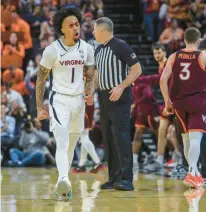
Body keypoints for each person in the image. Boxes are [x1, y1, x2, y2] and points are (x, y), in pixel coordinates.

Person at [35, 7, 95, 200]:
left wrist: (89, 91)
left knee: (71, 145)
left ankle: (63, 184)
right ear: (62, 29)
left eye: (77, 24)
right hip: (59, 100)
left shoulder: (87, 49)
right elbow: (41, 80)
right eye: (71, 25)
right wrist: (39, 107)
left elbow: (90, 74)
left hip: (79, 101)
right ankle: (63, 178)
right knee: (62, 142)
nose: (75, 28)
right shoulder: (52, 50)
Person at [93, 17, 142, 191]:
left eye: (94, 30)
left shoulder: (120, 45)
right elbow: (97, 75)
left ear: (102, 30)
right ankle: (113, 177)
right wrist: (90, 93)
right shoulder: (98, 50)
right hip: (104, 97)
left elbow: (137, 69)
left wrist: (121, 86)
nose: (93, 32)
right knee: (107, 137)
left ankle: (127, 178)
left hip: (119, 96)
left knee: (121, 136)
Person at [160, 27, 206, 189]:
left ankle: (194, 172)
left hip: (178, 103)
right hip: (198, 102)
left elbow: (163, 79)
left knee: (186, 139)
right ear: (198, 41)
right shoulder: (203, 56)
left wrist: (166, 101)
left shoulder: (174, 56)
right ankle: (192, 172)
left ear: (184, 39)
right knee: (195, 139)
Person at [136, 44, 181, 171]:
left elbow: (159, 79)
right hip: (169, 102)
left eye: (159, 53)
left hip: (177, 101)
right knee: (163, 129)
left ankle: (179, 159)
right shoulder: (161, 65)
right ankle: (161, 159)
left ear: (164, 52)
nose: (157, 55)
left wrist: (140, 80)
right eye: (155, 53)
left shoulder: (168, 64)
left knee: (174, 132)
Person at [73, 104, 103, 173]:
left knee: (84, 137)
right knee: (84, 137)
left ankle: (97, 162)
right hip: (84, 110)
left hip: (81, 111)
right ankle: (82, 165)